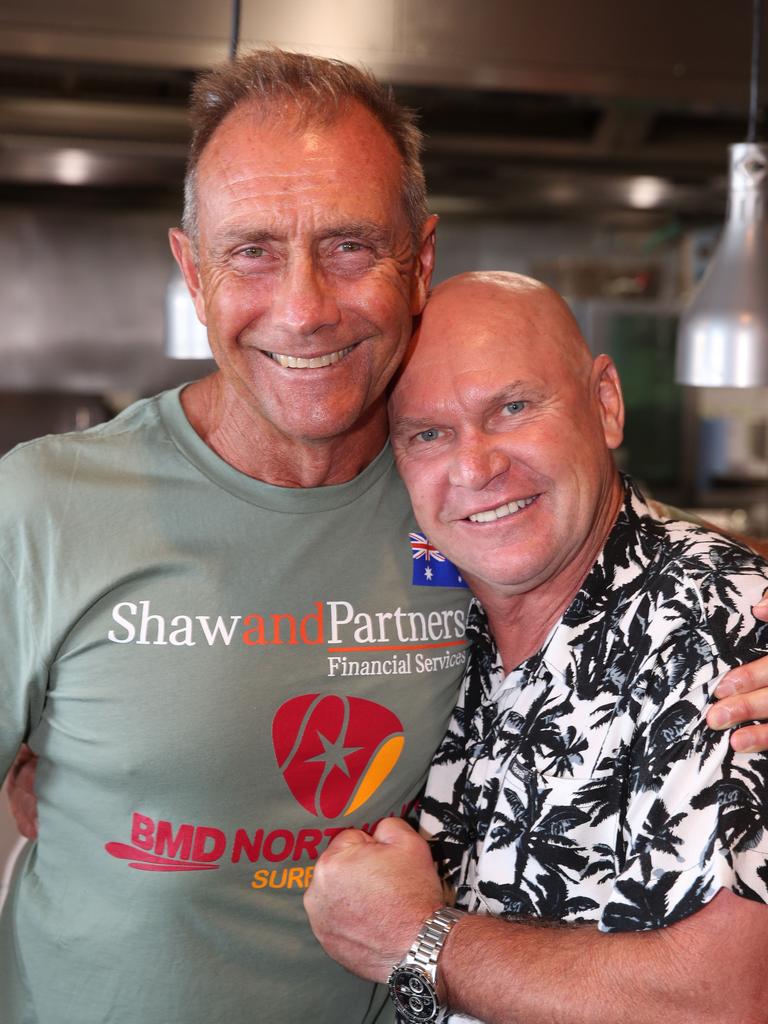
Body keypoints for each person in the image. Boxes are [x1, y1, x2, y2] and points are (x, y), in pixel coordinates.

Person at [2, 49, 768, 1024]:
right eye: (250, 251)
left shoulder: (459, 510)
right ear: (191, 272)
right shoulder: (40, 506)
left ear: (422, 259)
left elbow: (640, 567)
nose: (305, 308)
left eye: (351, 245)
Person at [304, 273, 768, 1024]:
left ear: (605, 403)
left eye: (513, 408)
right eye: (428, 433)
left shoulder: (731, 634)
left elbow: (731, 1002)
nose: (476, 467)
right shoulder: (448, 617)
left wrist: (417, 941)